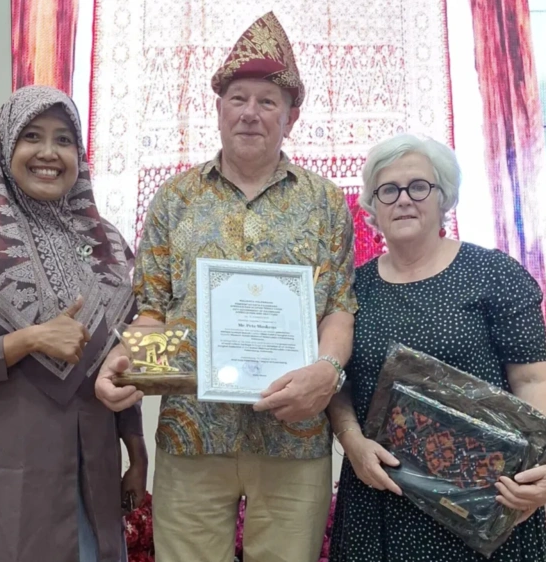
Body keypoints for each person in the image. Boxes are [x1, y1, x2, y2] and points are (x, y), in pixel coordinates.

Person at [95, 12, 357, 562]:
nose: (251, 114)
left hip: (294, 433)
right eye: (239, 98)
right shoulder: (175, 200)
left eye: (268, 101)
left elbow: (337, 308)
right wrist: (131, 359)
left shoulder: (325, 202)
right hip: (192, 431)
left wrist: (327, 374)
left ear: (291, 116)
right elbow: (153, 307)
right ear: (218, 110)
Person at [0, 85, 147, 562]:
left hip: (90, 475)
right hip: (1, 479)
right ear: (5, 146)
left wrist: (136, 449)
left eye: (64, 140)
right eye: (32, 137)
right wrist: (25, 340)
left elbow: (121, 359)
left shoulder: (108, 247)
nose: (48, 153)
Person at [325, 134, 546, 561]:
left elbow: (532, 378)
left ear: (444, 198)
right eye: (388, 190)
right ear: (373, 208)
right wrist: (351, 442)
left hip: (486, 498)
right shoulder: (352, 289)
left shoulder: (494, 274)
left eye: (419, 186)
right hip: (383, 497)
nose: (403, 199)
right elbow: (337, 382)